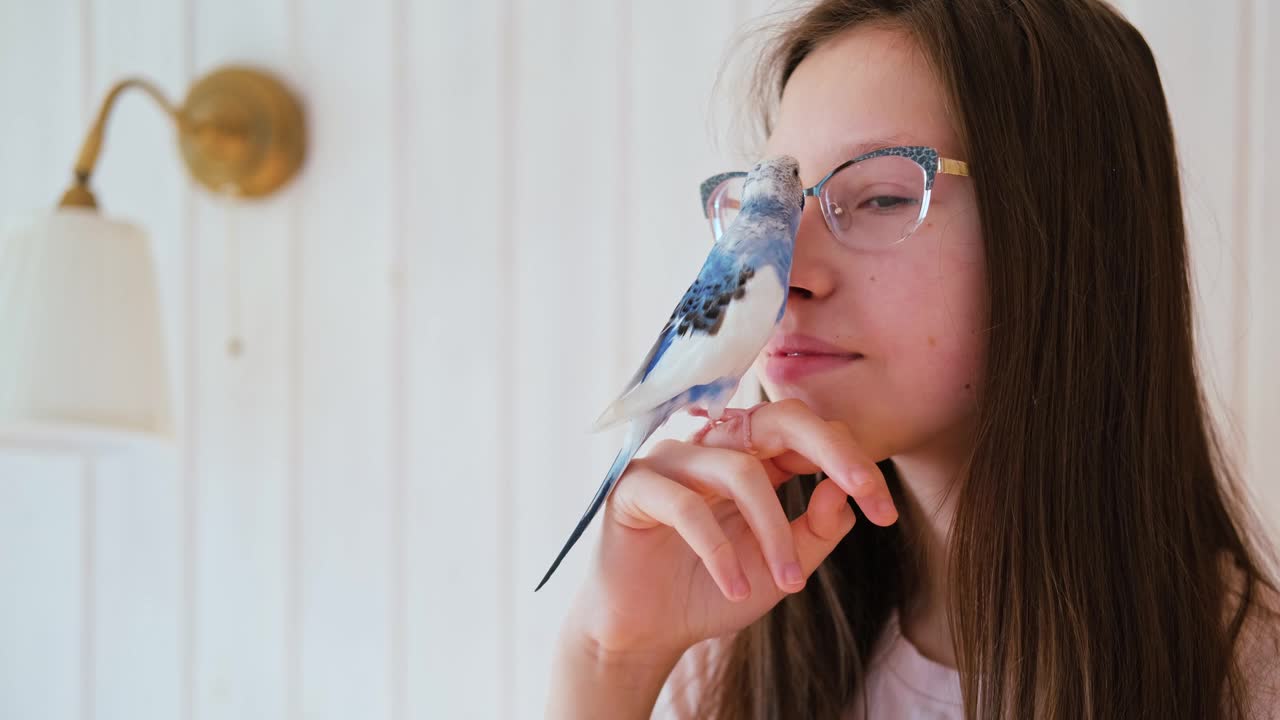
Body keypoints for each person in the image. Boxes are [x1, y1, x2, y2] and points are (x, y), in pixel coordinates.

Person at [546, 0, 1280, 717]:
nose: (785, 273)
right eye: (773, 206)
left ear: (1069, 239)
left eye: (881, 198)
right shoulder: (722, 657)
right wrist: (613, 659)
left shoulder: (1249, 684)